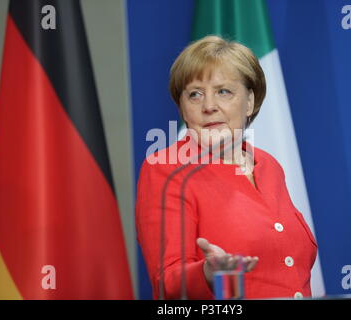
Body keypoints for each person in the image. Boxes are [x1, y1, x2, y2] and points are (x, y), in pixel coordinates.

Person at [135, 35, 317, 299]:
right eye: (195, 94)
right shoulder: (165, 168)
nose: (209, 106)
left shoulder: (268, 165)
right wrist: (208, 274)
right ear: (183, 110)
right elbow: (167, 283)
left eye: (223, 91)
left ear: (250, 102)